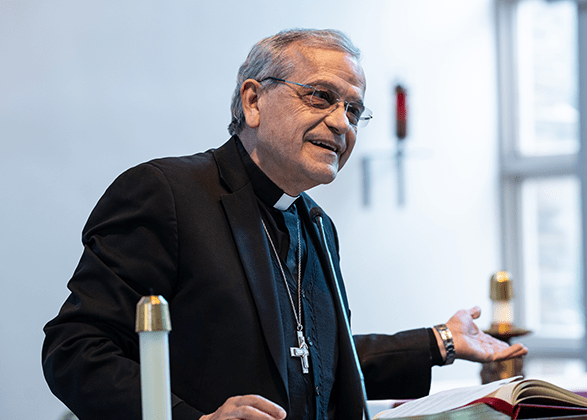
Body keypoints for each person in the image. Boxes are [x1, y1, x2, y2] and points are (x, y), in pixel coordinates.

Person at [42, 28, 527, 420]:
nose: (342, 124)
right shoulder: (166, 192)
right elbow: (75, 348)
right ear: (253, 101)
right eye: (320, 97)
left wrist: (441, 341)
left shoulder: (315, 223)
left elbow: (315, 362)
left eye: (354, 110)